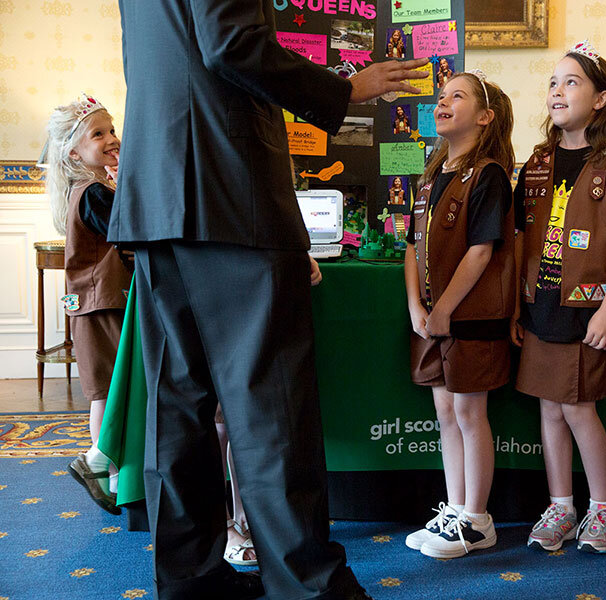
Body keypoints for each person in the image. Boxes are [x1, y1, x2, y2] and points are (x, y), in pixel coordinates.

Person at [109, 1, 429, 598]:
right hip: (227, 188)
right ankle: (306, 585)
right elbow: (230, 42)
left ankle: (191, 579)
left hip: (156, 191)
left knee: (177, 403)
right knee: (271, 403)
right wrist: (341, 91)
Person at [513, 41, 606, 554]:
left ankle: (602, 508)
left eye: (571, 81)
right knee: (549, 409)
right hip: (539, 305)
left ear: (600, 99)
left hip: (586, 310)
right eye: (553, 82)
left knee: (578, 408)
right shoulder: (537, 160)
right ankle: (561, 505)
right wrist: (515, 308)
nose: (557, 90)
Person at [402, 70, 516, 559]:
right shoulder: (430, 175)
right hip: (430, 318)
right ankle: (453, 507)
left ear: (485, 117)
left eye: (458, 96)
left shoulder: (487, 174)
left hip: (469, 318)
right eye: (441, 96)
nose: (443, 101)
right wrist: (416, 305)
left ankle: (477, 518)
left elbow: (481, 251)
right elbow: (411, 246)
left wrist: (445, 307)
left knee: (470, 412)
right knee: (444, 410)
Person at [45, 94, 132, 517]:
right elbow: (130, 230)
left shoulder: (97, 188)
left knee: (108, 391)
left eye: (112, 129)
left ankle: (108, 470)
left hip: (95, 303)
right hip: (102, 305)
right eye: (98, 134)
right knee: (108, 392)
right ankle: (100, 464)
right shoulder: (95, 192)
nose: (111, 138)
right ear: (75, 152)